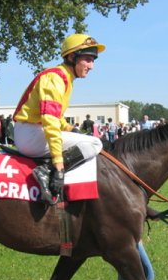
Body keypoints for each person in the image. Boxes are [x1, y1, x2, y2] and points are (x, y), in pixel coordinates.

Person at [13, 33, 105, 204]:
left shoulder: (65, 78)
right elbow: (50, 122)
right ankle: (46, 171)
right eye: (87, 59)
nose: (91, 66)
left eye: (93, 60)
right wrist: (58, 163)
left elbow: (57, 117)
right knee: (94, 143)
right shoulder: (55, 78)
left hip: (32, 131)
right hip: (31, 134)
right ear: (72, 57)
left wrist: (71, 129)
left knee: (88, 139)